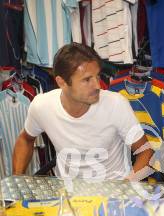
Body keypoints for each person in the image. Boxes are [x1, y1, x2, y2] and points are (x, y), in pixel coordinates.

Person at [13, 43, 152, 180]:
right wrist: (17, 180)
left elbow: (146, 152)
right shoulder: (42, 106)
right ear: (61, 82)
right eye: (87, 80)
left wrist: (125, 187)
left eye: (97, 76)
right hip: (66, 194)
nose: (97, 85)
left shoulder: (115, 104)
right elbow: (25, 139)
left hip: (112, 193)